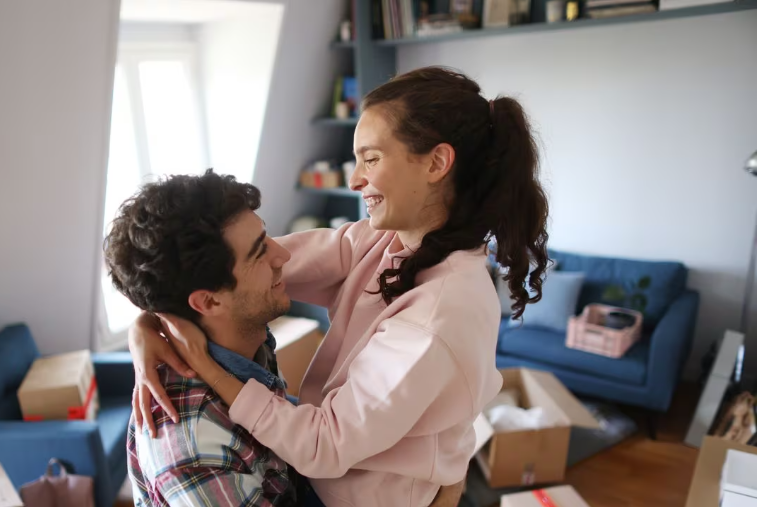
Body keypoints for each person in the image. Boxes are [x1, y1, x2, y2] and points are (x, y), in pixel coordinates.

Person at [130, 66, 550, 507]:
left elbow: (323, 446)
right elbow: (234, 271)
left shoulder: (438, 313)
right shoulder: (386, 240)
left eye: (371, 159)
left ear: (436, 163)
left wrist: (209, 368)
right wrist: (149, 321)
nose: (354, 180)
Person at [104, 171, 302, 506]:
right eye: (259, 253)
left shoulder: (241, 338)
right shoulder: (194, 447)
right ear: (208, 302)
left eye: (267, 238)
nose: (284, 255)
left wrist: (146, 321)